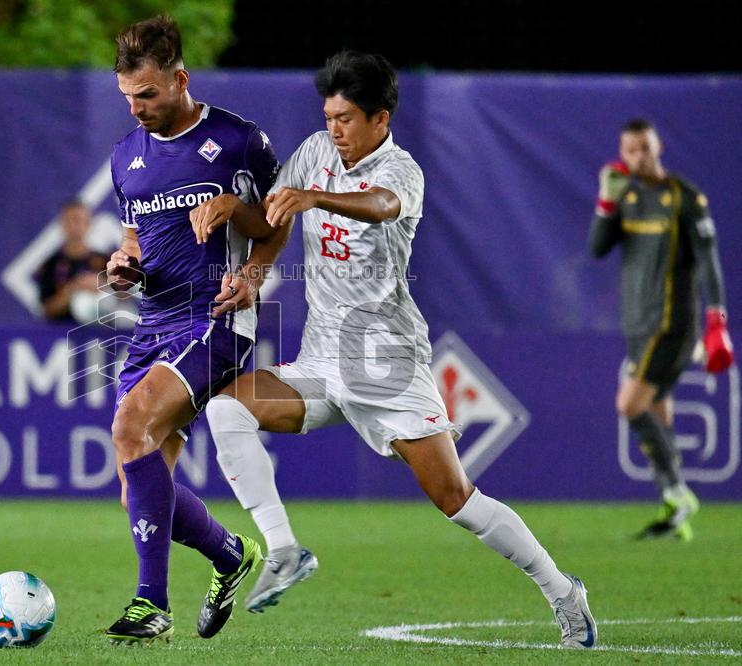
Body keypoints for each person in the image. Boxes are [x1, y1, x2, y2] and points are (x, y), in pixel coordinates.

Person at [196, 51, 598, 649]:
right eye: (329, 116)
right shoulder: (312, 153)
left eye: (347, 118)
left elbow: (382, 206)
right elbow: (273, 220)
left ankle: (562, 590)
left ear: (380, 119)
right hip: (321, 359)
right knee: (226, 408)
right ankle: (283, 550)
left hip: (387, 366)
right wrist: (246, 242)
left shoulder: (401, 170)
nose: (335, 128)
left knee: (456, 499)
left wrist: (317, 200)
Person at [101, 15, 288, 645]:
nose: (138, 108)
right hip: (153, 322)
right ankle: (232, 556)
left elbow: (279, 220)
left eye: (148, 95)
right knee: (140, 495)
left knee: (130, 426)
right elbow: (135, 236)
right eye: (128, 97)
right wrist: (123, 265)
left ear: (181, 79)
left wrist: (255, 271)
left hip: (215, 317)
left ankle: (151, 605)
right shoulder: (125, 157)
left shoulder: (237, 140)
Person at [590, 118, 734, 540]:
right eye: (630, 150)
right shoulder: (627, 194)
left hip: (671, 324)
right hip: (637, 323)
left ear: (658, 147)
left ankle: (677, 492)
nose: (637, 157)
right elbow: (597, 249)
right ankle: (675, 512)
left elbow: (710, 261)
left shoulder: (685, 198)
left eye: (644, 149)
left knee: (629, 404)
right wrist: (605, 202)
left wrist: (717, 321)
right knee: (657, 412)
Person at [35, 198, 110, 322]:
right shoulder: (50, 265)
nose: (76, 226)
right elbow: (46, 310)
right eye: (70, 220)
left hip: (102, 333)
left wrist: (103, 285)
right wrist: (76, 287)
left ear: (89, 224)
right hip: (63, 334)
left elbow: (125, 299)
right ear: (62, 224)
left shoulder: (106, 262)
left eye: (80, 220)